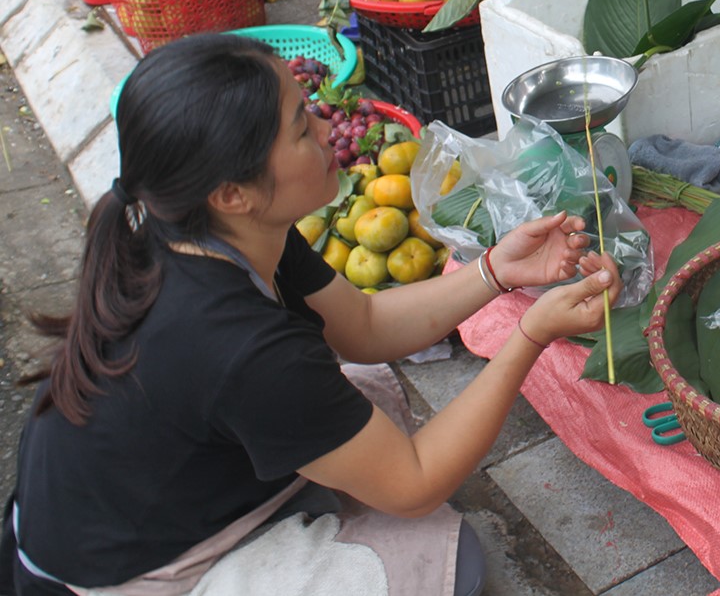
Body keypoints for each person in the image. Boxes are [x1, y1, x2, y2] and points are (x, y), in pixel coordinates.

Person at [3, 33, 622, 595]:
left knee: (367, 395)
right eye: (301, 128)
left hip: (116, 502)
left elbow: (365, 327)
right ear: (232, 193)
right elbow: (414, 483)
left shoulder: (210, 230)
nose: (328, 130)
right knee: (445, 564)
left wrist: (495, 271)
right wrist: (531, 334)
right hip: (112, 575)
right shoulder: (237, 345)